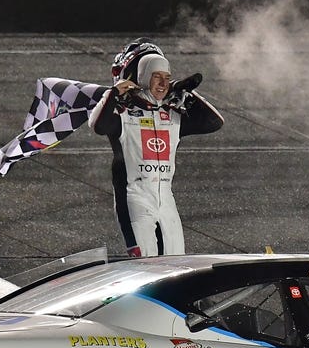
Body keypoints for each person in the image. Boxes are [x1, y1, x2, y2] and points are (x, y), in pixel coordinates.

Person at [90, 41, 223, 256]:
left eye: (167, 78)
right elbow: (98, 125)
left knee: (176, 266)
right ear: (142, 77)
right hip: (135, 198)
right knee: (145, 268)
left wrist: (187, 94)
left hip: (165, 198)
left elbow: (214, 123)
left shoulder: (172, 114)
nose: (163, 83)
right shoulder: (123, 113)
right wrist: (113, 94)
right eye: (156, 76)